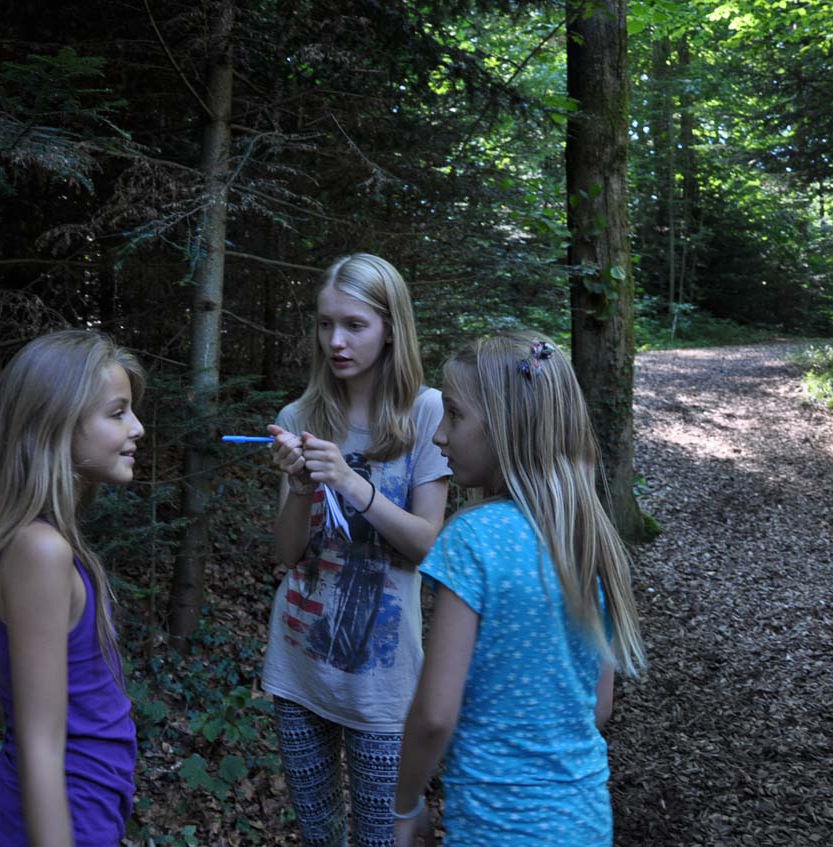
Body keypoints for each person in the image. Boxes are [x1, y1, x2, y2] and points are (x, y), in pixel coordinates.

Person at [391, 331, 647, 847]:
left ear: (506, 427)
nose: (439, 436)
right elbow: (598, 708)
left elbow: (435, 714)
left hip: (496, 826)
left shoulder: (472, 539)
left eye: (454, 415)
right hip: (585, 820)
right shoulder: (589, 537)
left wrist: (406, 804)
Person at [263, 254, 452, 847]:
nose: (336, 342)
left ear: (391, 328)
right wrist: (300, 487)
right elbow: (287, 554)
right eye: (326, 324)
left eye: (354, 325)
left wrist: (350, 482)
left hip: (384, 682)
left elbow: (426, 545)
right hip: (299, 664)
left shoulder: (427, 413)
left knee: (380, 836)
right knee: (319, 834)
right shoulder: (299, 416)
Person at [0, 329, 145, 847]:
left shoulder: (45, 541)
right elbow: (41, 748)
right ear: (55, 423)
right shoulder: (40, 551)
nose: (138, 427)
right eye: (117, 412)